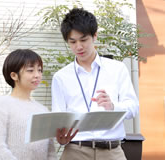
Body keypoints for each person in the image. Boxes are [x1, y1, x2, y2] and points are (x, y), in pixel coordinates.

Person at [51, 8, 139, 160]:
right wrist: (60, 137)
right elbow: (58, 118)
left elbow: (133, 108)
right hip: (75, 150)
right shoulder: (61, 77)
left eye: (83, 40)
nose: (78, 47)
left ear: (95, 36)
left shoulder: (117, 69)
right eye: (72, 42)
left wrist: (113, 107)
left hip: (112, 151)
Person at [0, 49, 76, 160]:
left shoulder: (43, 110)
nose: (37, 75)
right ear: (14, 75)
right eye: (30, 70)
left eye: (40, 70)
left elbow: (50, 153)